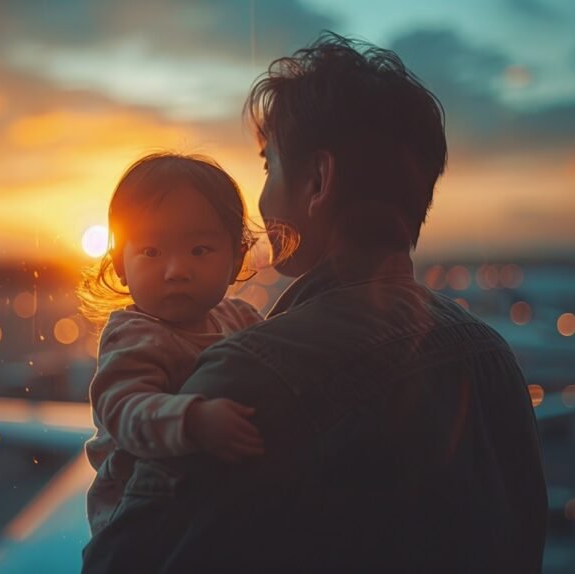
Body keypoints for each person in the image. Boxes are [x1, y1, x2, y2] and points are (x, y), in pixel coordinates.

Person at [83, 32, 547, 573]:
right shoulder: (490, 357)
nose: (260, 198)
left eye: (267, 167)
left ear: (318, 180)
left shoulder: (248, 375)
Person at [79, 152, 269, 536]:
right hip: (142, 532)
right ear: (119, 263)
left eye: (199, 250)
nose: (176, 270)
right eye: (151, 252)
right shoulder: (133, 334)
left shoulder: (241, 319)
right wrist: (193, 421)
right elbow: (123, 408)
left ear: (235, 259)